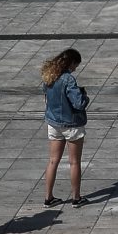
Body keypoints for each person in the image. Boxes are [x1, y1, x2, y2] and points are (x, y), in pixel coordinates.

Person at [39, 48, 89, 206]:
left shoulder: (49, 76)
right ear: (71, 63)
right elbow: (78, 103)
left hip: (53, 123)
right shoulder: (68, 79)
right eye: (76, 65)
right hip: (71, 124)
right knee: (74, 162)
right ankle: (76, 198)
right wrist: (85, 96)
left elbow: (46, 96)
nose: (75, 69)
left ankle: (48, 197)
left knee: (53, 161)